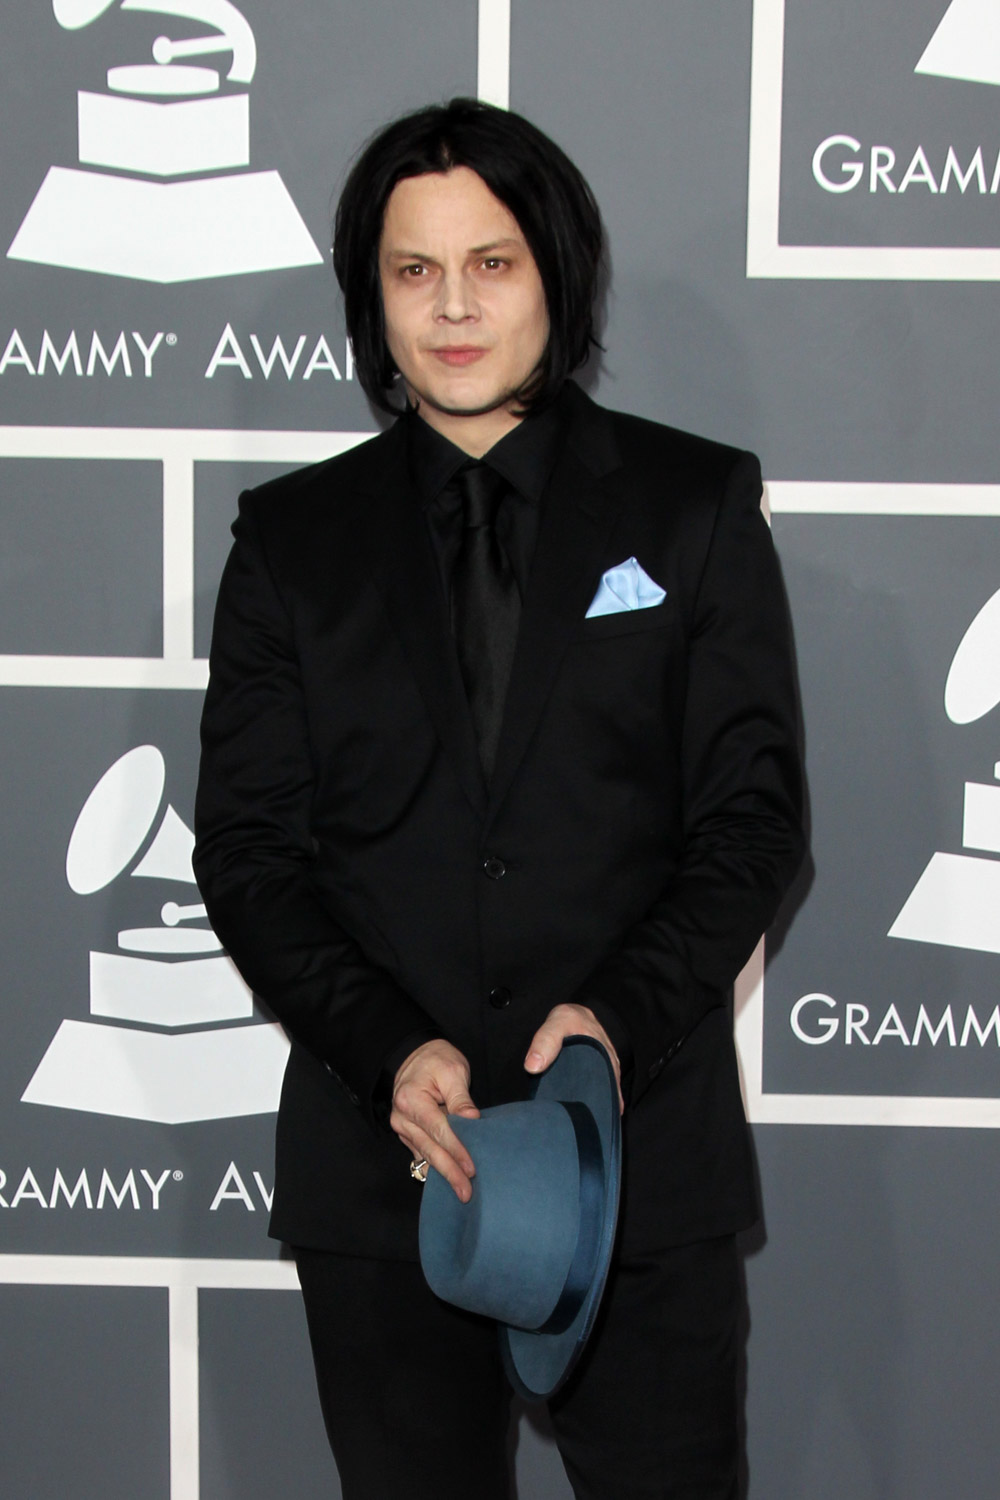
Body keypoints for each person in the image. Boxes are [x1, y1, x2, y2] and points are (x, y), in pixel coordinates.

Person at [193, 97, 805, 1500]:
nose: (453, 307)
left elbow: (754, 819)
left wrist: (617, 1027)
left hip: (639, 1167)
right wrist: (388, 1050)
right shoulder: (291, 543)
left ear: (557, 274)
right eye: (415, 271)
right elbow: (250, 851)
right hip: (382, 1171)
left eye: (493, 263)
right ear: (372, 296)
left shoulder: (690, 506)